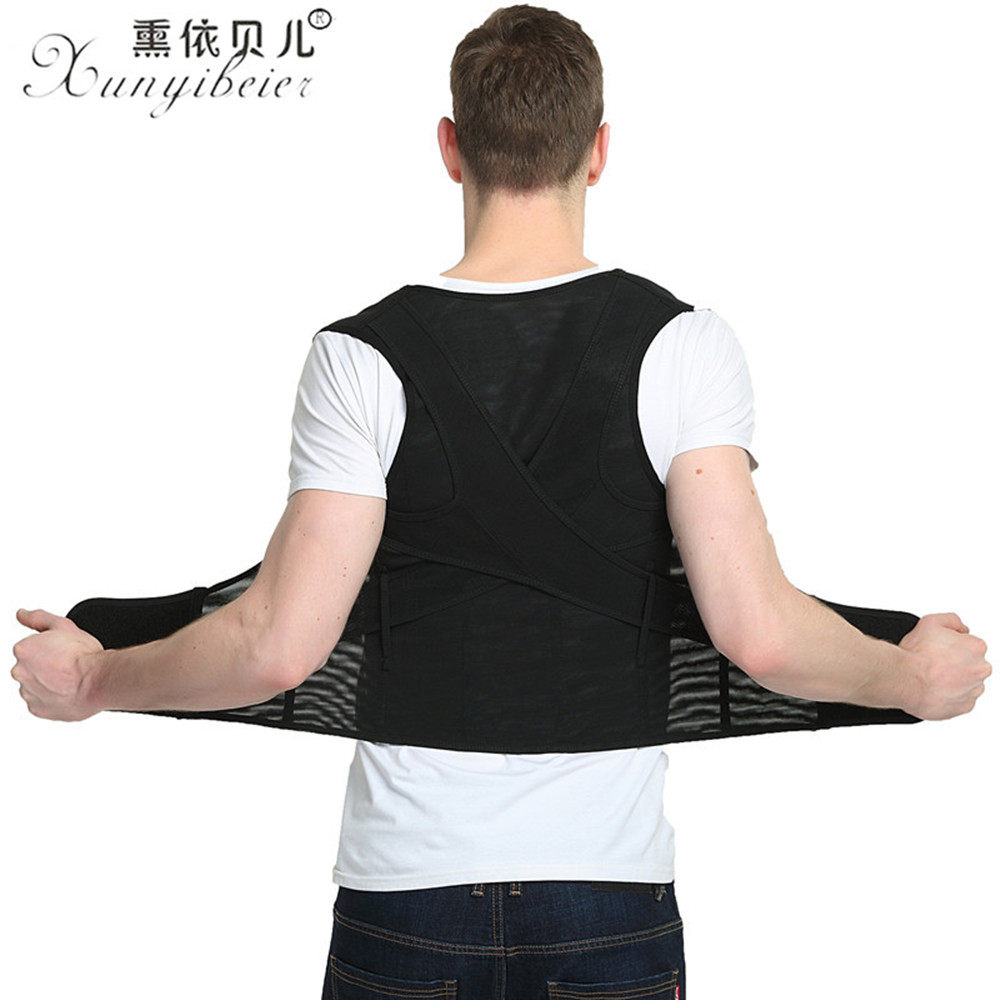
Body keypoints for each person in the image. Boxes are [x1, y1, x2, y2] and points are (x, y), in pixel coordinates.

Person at [10, 5, 990, 999]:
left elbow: (273, 643)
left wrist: (99, 676)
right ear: (597, 151)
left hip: (406, 901)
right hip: (608, 899)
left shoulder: (358, 360)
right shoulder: (684, 345)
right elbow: (761, 633)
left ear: (450, 147)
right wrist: (907, 675)